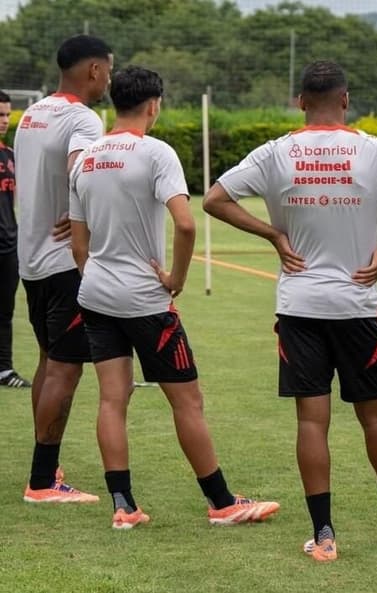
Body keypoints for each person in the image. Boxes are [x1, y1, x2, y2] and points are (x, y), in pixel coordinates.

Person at [204, 60, 377, 562]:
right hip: (357, 305)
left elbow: (214, 199)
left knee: (311, 424)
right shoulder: (375, 150)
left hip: (299, 305)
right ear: (345, 99)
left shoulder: (274, 153)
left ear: (300, 102)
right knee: (376, 420)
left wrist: (273, 233)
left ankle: (325, 536)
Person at [69, 66, 280, 529]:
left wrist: (98, 278)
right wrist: (174, 278)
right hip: (146, 299)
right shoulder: (156, 152)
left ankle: (123, 507)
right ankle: (222, 502)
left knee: (111, 399)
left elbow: (78, 245)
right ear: (153, 104)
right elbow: (185, 223)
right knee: (187, 401)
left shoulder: (85, 158)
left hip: (96, 293)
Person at [16, 35, 112, 503]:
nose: (110, 79)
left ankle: (45, 467)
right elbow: (83, 169)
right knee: (65, 369)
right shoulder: (82, 118)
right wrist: (84, 216)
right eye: (108, 70)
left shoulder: (32, 113)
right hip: (64, 262)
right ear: (94, 69)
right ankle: (41, 481)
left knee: (46, 361)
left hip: (32, 261)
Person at [0, 91, 30, 388]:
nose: (4, 120)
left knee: (5, 311)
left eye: (7, 115)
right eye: (0, 115)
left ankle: (4, 369)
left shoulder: (10, 157)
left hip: (10, 245)